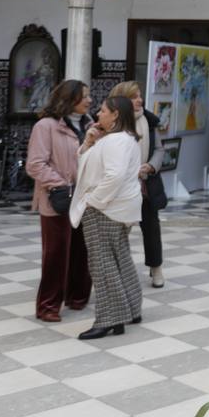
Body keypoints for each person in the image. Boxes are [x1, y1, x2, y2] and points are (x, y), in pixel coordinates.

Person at [70, 94, 143, 340]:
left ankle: (110, 319)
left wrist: (94, 202)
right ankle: (129, 311)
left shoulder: (116, 141)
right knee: (119, 258)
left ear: (116, 115)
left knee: (101, 265)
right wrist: (89, 142)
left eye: (103, 111)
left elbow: (114, 175)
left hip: (106, 208)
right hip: (117, 207)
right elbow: (87, 164)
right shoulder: (119, 139)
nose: (98, 114)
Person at [26, 80, 93, 323]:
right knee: (55, 253)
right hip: (58, 197)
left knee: (81, 249)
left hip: (84, 198)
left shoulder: (90, 124)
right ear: (69, 99)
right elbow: (35, 164)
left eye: (89, 96)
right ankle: (48, 306)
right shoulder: (46, 126)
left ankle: (77, 297)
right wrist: (61, 185)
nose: (89, 100)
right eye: (84, 96)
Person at [108, 81, 166, 289]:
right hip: (120, 188)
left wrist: (150, 166)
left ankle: (156, 267)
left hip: (145, 186)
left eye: (140, 95)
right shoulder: (111, 122)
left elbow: (160, 149)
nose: (139, 100)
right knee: (119, 231)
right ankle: (118, 271)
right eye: (134, 97)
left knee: (151, 229)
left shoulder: (149, 121)